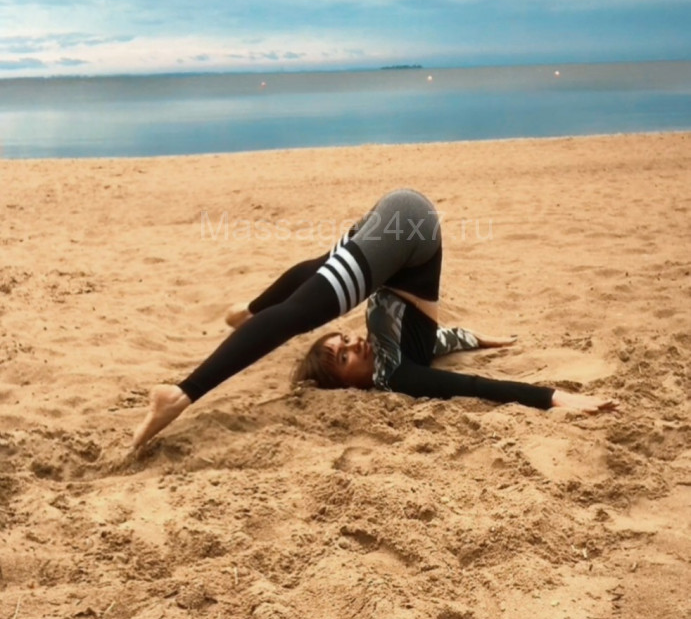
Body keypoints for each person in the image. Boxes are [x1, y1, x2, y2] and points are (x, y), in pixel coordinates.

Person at [133, 189, 617, 449]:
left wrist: (478, 339)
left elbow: (441, 342)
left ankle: (201, 371)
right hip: (408, 231)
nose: (354, 344)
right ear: (350, 386)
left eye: (342, 343)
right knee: (319, 283)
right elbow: (468, 381)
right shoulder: (400, 374)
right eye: (344, 357)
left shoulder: (389, 353)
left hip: (405, 233)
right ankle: (222, 347)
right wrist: (552, 397)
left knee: (315, 292)